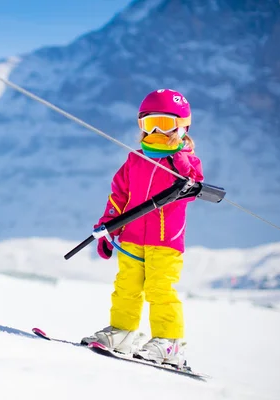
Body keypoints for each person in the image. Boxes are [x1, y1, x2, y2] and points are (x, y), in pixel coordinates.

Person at [81, 89, 204, 368]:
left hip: (165, 240)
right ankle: (122, 332)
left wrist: (179, 153)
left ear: (182, 126)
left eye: (166, 124)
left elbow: (193, 183)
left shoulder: (185, 161)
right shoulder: (136, 159)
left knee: (161, 289)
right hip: (132, 236)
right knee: (126, 287)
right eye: (150, 124)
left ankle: (168, 342)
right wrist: (108, 226)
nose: (157, 130)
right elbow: (118, 195)